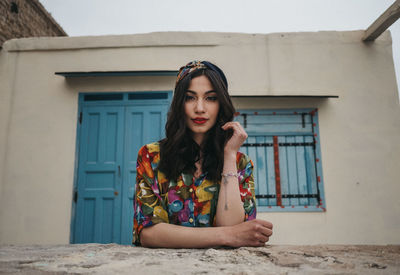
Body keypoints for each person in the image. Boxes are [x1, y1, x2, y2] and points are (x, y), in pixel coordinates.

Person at [133, 61, 273, 248]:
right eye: (190, 98)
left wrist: (229, 156)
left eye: (211, 98)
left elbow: (233, 226)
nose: (200, 108)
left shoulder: (240, 163)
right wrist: (227, 235)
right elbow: (149, 233)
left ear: (221, 104)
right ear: (179, 104)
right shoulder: (151, 156)